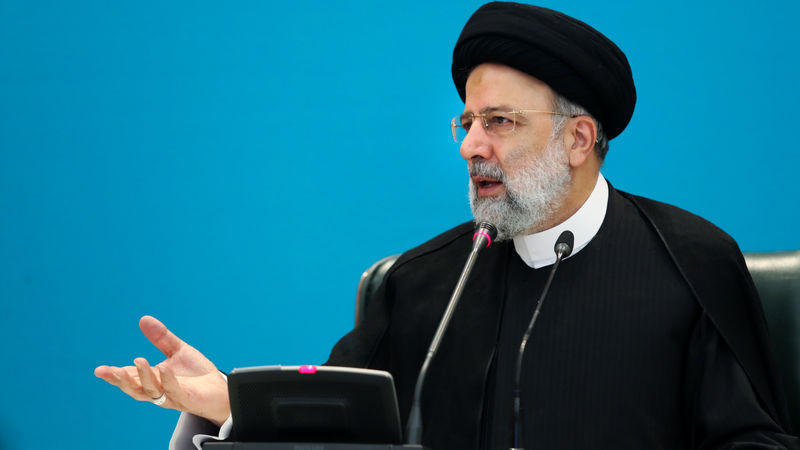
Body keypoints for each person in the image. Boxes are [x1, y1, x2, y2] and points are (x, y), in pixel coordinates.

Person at [95, 2, 798, 449]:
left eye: (500, 122)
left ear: (578, 139)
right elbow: (335, 429)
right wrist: (229, 401)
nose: (470, 147)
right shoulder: (422, 283)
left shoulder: (691, 263)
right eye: (467, 122)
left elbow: (754, 441)